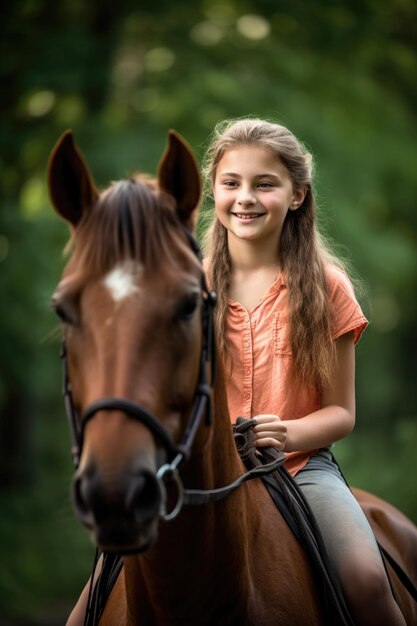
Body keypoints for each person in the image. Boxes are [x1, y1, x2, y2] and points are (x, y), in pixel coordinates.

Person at [201, 117, 406, 626]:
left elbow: (340, 413)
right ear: (214, 190)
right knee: (90, 602)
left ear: (296, 195)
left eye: (264, 184)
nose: (245, 198)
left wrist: (287, 432)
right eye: (232, 183)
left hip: (299, 470)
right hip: (203, 474)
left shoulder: (326, 287)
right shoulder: (190, 288)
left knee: (366, 579)